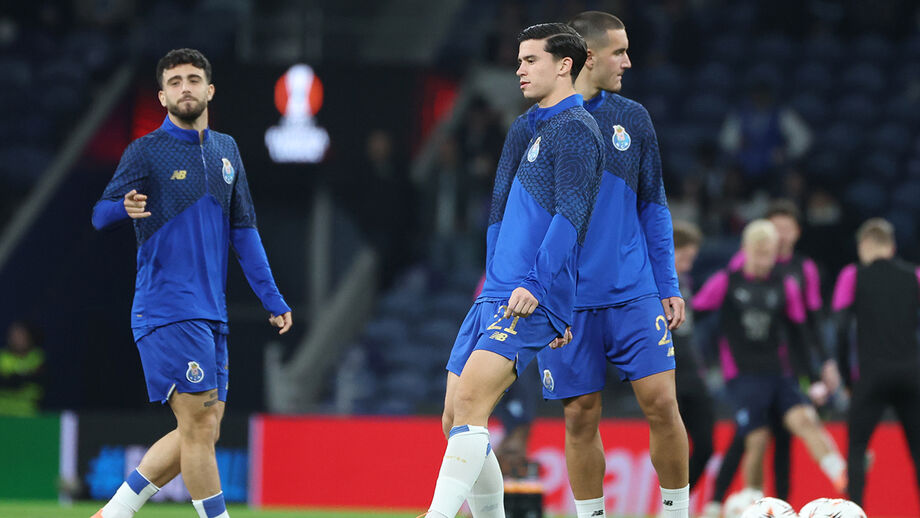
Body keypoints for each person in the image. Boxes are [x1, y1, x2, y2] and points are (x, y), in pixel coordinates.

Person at [90, 48, 292, 518]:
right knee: (199, 427)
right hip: (166, 306)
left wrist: (272, 297)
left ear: (209, 90)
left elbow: (244, 233)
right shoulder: (146, 151)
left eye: (194, 79)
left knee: (203, 427)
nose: (185, 87)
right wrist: (124, 208)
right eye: (175, 81)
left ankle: (113, 513)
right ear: (163, 96)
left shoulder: (227, 151)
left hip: (211, 312)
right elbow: (99, 214)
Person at [424, 23, 604, 518]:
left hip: (531, 291)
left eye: (530, 60)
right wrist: (493, 282)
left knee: (474, 403)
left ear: (564, 65)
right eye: (519, 60)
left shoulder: (579, 130)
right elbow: (499, 212)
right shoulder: (524, 127)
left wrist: (542, 287)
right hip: (496, 291)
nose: (519, 69)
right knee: (454, 417)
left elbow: (572, 217)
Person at [535, 12, 690, 518]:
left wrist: (667, 282)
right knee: (580, 417)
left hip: (632, 289)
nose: (628, 60)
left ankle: (675, 512)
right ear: (588, 56)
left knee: (663, 404)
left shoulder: (634, 118)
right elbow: (527, 217)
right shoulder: (540, 123)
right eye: (619, 51)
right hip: (568, 300)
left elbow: (654, 204)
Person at [692, 220, 846, 504]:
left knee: (805, 421)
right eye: (759, 254)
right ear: (746, 250)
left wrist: (812, 378)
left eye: (770, 254)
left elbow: (799, 333)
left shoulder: (785, 285)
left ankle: (841, 474)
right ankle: (755, 501)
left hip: (779, 371)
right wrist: (700, 358)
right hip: (742, 375)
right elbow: (693, 315)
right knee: (757, 439)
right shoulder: (725, 281)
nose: (765, 261)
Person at [832, 218, 920, 507]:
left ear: (863, 246)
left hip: (871, 375)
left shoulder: (852, 275)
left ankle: (855, 512)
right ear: (891, 246)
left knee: (856, 449)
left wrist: (846, 378)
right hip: (911, 374)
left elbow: (842, 329)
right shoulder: (915, 275)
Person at [671, 221, 715, 493]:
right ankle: (672, 504)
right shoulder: (647, 282)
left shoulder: (684, 282)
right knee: (673, 444)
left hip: (692, 373)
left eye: (691, 259)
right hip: (667, 373)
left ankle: (679, 504)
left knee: (706, 446)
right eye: (684, 257)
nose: (688, 264)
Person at [0, 321, 45, 416]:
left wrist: (16, 378)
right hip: (3, 413)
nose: (17, 339)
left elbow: (40, 378)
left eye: (21, 336)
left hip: (28, 413)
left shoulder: (36, 357)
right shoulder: (2, 357)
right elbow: (6, 382)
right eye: (14, 336)